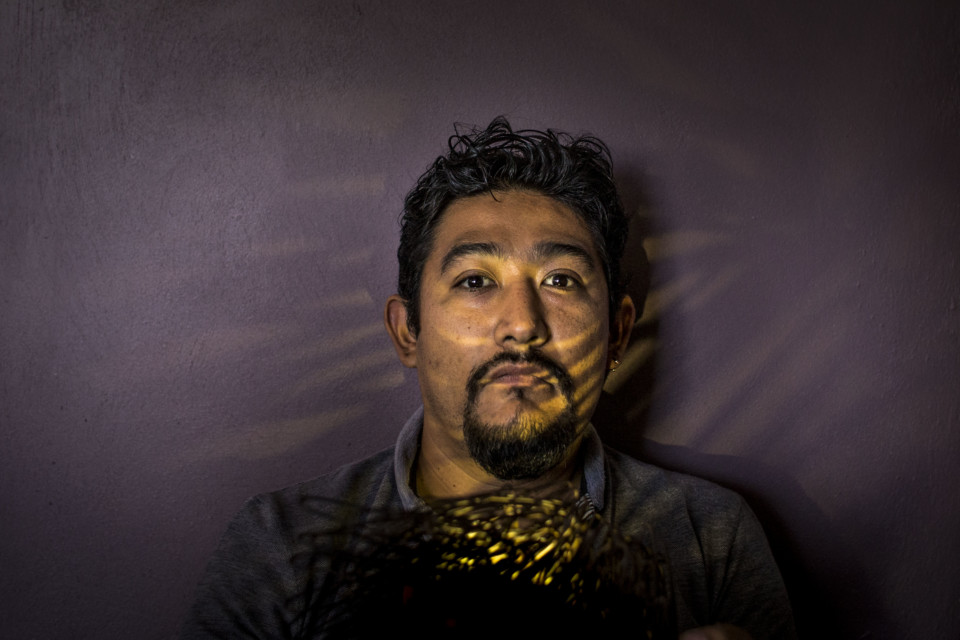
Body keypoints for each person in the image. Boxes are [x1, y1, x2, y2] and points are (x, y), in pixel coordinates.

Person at [181, 117, 796, 639]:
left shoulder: (711, 536)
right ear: (408, 332)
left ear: (616, 334)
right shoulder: (280, 547)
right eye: (475, 281)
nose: (522, 325)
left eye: (561, 281)